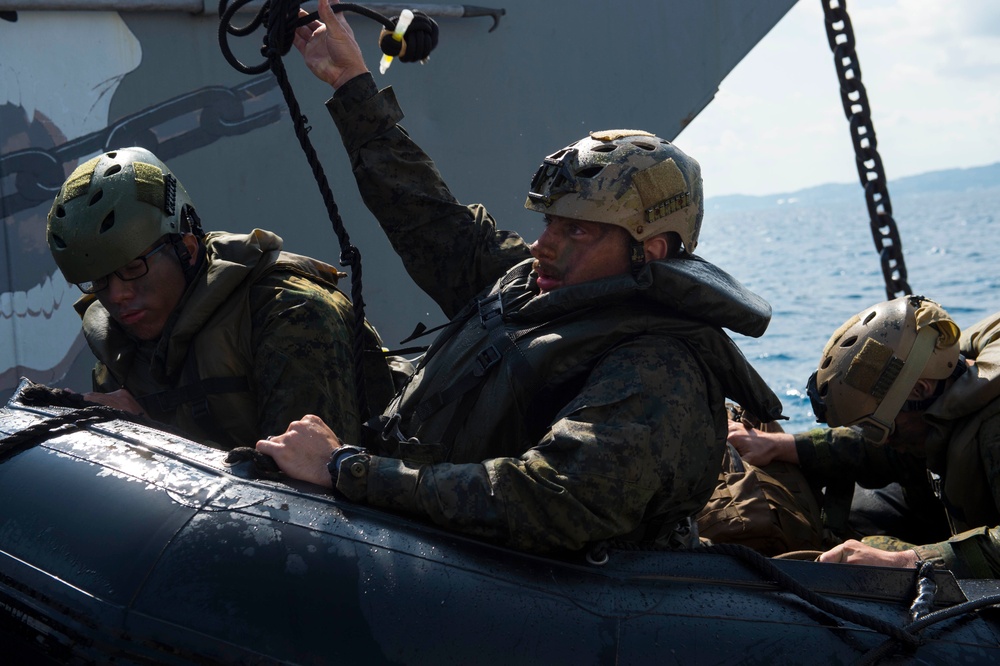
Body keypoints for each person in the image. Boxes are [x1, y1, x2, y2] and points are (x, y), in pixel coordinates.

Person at [256, 0, 783, 556]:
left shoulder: (657, 367)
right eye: (550, 221)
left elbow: (551, 498)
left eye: (578, 231)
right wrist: (351, 82)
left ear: (648, 251)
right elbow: (428, 218)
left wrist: (347, 470)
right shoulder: (531, 286)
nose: (544, 245)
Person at [46, 146, 395, 450]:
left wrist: (149, 437)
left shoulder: (290, 311)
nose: (118, 295)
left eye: (134, 267)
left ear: (186, 247)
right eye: (100, 281)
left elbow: (314, 492)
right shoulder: (120, 354)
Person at [733, 295, 1000, 578]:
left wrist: (909, 561)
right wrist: (786, 446)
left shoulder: (992, 430)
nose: (879, 439)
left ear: (920, 390)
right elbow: (891, 447)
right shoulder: (943, 394)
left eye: (876, 428)